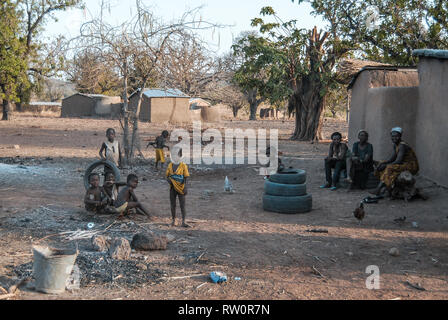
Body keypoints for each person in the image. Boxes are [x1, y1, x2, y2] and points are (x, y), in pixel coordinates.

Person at [372, 127, 419, 196]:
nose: (394, 138)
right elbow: (391, 159)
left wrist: (386, 165)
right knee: (381, 163)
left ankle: (379, 189)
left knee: (389, 167)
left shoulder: (402, 145)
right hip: (403, 164)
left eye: (396, 136)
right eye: (393, 136)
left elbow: (398, 160)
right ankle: (387, 188)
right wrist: (383, 163)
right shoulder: (395, 145)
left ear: (400, 136)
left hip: (411, 165)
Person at [166, 148, 190, 227]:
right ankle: (173, 220)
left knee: (182, 205)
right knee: (173, 205)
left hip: (181, 187)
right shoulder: (170, 165)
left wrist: (185, 187)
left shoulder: (183, 165)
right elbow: (167, 176)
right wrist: (169, 180)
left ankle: (184, 221)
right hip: (172, 188)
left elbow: (186, 177)